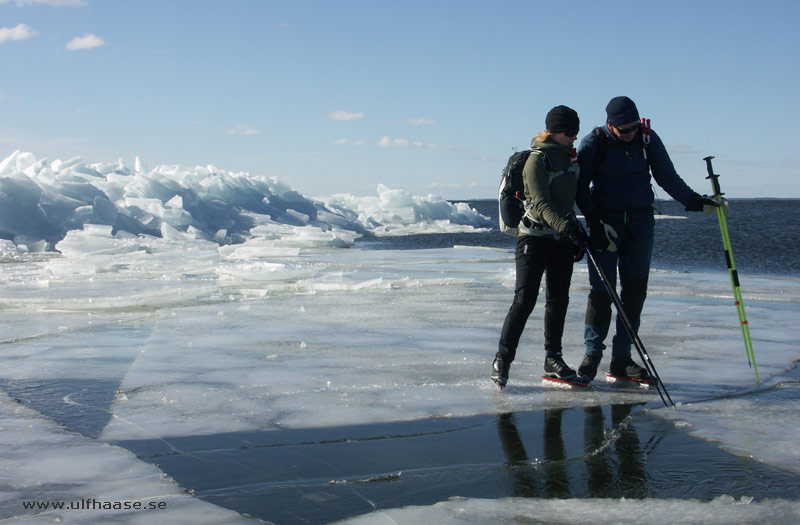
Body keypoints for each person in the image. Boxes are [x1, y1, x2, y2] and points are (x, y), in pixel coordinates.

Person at [575, 96, 720, 381]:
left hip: (640, 223)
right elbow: (580, 188)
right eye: (625, 129)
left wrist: (695, 201)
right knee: (602, 293)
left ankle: (622, 359)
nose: (631, 133)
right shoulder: (593, 144)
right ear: (611, 125)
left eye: (634, 127)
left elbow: (666, 176)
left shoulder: (647, 139)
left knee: (635, 292)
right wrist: (594, 219)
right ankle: (592, 354)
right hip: (606, 224)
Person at [492, 105, 586, 388]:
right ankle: (502, 359)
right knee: (525, 300)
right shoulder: (537, 160)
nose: (573, 137)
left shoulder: (570, 159)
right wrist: (566, 227)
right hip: (533, 239)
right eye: (569, 132)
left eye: (576, 132)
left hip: (560, 240)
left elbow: (569, 201)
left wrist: (577, 231)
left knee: (559, 301)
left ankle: (553, 359)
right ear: (554, 131)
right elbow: (541, 204)